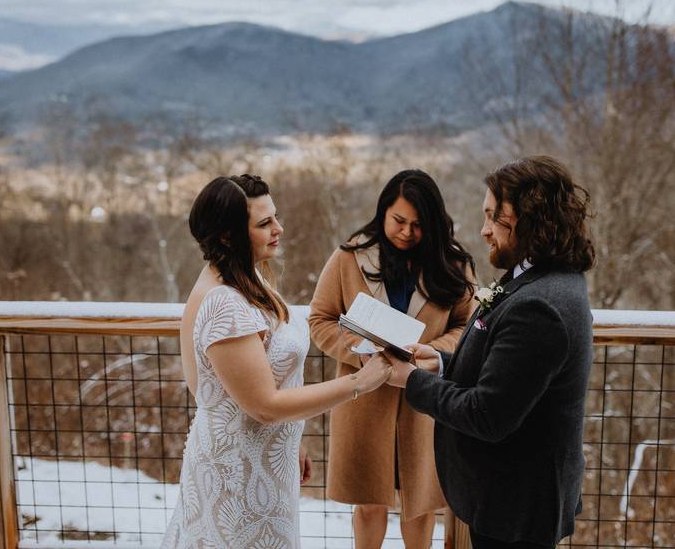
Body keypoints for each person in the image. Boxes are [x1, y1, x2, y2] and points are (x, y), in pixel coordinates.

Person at [161, 175, 392, 549]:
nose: (278, 229)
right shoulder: (224, 302)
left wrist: (290, 437)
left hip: (263, 464)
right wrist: (359, 383)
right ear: (227, 236)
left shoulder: (245, 279)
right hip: (238, 477)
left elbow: (243, 385)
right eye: (264, 223)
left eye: (275, 218)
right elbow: (263, 405)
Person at [385, 156, 596, 548]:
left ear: (529, 219)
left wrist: (411, 380)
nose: (484, 231)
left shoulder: (541, 306)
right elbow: (509, 372)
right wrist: (443, 362)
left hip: (515, 507)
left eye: (493, 217)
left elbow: (488, 414)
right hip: (508, 498)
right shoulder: (538, 277)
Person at [308, 169, 477, 549]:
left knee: (420, 508)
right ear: (383, 211)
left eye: (418, 225)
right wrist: (360, 352)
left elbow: (468, 325)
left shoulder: (453, 264)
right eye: (399, 220)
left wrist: (433, 352)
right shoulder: (347, 258)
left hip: (426, 401)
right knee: (368, 506)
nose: (406, 231)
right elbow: (319, 321)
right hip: (363, 398)